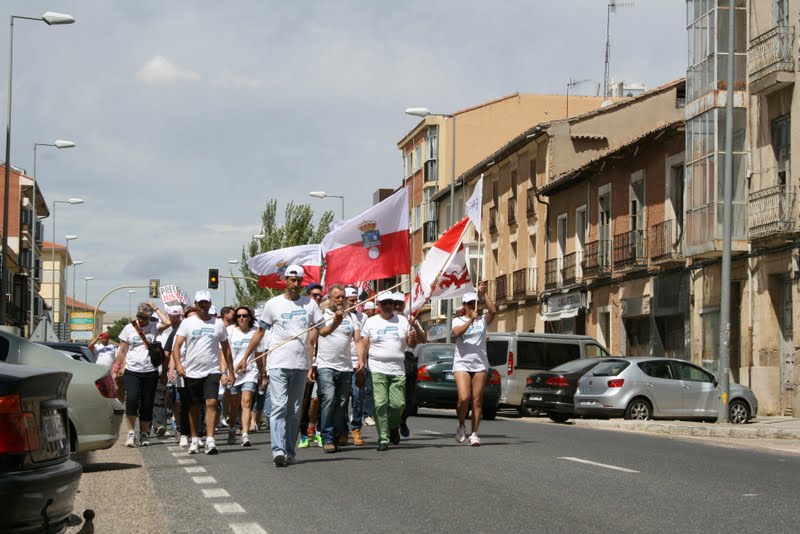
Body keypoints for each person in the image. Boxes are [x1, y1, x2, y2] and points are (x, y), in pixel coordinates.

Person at [242, 265, 337, 467]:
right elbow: (260, 332)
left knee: (294, 410)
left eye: (299, 280)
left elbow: (323, 331)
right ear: (285, 280)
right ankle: (278, 450)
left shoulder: (310, 304)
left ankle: (289, 450)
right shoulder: (273, 304)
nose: (295, 284)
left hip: (300, 365)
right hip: (278, 363)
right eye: (292, 280)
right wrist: (245, 357)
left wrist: (336, 322)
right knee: (279, 406)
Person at [358, 291, 423, 451]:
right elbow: (364, 344)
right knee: (380, 404)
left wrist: (412, 337)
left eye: (390, 303)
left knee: (398, 404)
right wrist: (361, 362)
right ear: (378, 305)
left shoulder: (403, 321)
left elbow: (412, 344)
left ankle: (394, 426)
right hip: (377, 367)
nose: (388, 306)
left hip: (397, 368)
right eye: (384, 303)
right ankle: (383, 438)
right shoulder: (371, 322)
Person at [172, 291, 234, 455]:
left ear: (210, 303)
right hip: (192, 371)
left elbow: (226, 348)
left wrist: (230, 371)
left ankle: (210, 440)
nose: (203, 306)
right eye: (200, 303)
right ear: (196, 304)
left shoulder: (218, 324)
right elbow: (177, 346)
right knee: (194, 406)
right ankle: (194, 439)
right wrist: (178, 364)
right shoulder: (187, 323)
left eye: (206, 303)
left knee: (212, 403)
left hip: (212, 370)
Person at [112, 302, 172, 447]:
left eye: (145, 318)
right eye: (139, 316)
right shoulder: (129, 328)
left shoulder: (154, 326)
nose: (141, 320)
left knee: (147, 403)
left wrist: (155, 307)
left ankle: (144, 433)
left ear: (150, 317)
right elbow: (122, 351)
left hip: (150, 371)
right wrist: (116, 369)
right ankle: (131, 433)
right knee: (132, 400)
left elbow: (168, 322)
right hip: (132, 371)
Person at [314, 284, 361, 453]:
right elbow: (322, 333)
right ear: (330, 299)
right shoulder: (322, 315)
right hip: (326, 365)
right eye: (337, 297)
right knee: (329, 398)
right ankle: (326, 437)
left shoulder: (352, 317)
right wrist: (336, 322)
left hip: (345, 367)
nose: (341, 300)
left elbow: (358, 340)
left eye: (343, 297)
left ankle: (337, 433)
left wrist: (361, 359)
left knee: (342, 403)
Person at [451, 281, 496, 446]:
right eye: (469, 303)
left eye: (474, 303)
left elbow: (493, 311)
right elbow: (456, 333)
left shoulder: (482, 320)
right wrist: (470, 320)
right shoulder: (457, 320)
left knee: (477, 400)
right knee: (464, 398)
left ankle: (474, 433)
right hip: (462, 363)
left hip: (480, 364)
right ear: (464, 305)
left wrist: (484, 293)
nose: (472, 306)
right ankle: (461, 424)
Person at [231, 306, 268, 447]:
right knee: (234, 404)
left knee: (246, 401)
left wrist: (262, 374)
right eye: (239, 316)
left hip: (250, 372)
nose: (242, 318)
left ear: (250, 318)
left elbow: (259, 355)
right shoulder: (230, 331)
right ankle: (232, 428)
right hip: (234, 372)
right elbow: (224, 353)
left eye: (245, 316)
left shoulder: (255, 333)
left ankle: (245, 434)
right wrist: (225, 371)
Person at [394, 292, 425, 438]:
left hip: (408, 359)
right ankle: (392, 424)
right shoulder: (387, 320)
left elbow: (423, 339)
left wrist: (415, 326)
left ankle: (402, 420)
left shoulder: (411, 319)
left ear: (404, 305)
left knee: (409, 398)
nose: (397, 306)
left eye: (400, 304)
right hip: (393, 359)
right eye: (394, 303)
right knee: (394, 397)